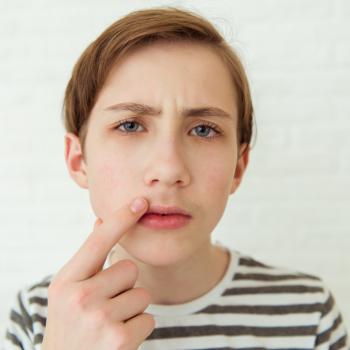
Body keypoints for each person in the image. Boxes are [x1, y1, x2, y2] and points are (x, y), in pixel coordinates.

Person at [3, 6, 348, 350]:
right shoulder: (41, 317)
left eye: (203, 130)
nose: (169, 170)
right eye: (130, 125)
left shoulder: (308, 314)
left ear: (238, 167)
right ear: (79, 160)